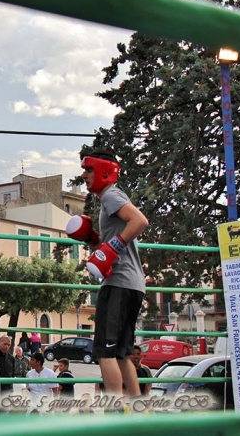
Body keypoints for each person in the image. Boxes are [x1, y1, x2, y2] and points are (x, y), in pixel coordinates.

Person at [66, 151, 148, 398]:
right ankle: (137, 409)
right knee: (122, 354)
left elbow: (140, 222)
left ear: (103, 170)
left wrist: (112, 246)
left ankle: (116, 410)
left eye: (89, 170)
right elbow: (114, 243)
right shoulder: (110, 198)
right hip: (132, 284)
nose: (84, 175)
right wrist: (95, 240)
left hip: (119, 284)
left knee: (105, 352)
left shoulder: (111, 195)